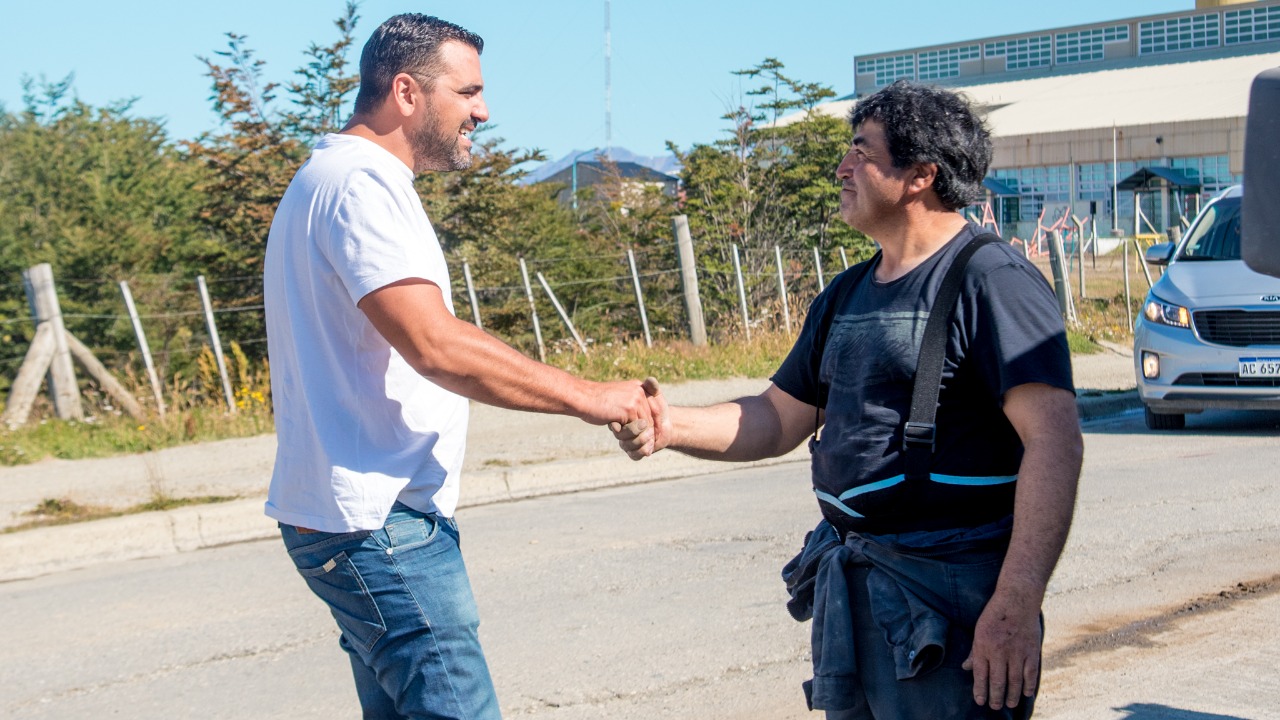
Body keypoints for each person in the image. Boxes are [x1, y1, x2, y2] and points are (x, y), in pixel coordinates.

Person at [613, 80, 1083, 719]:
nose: (842, 167)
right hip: (859, 586)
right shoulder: (847, 292)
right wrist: (669, 425)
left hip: (951, 596)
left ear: (920, 175)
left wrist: (1016, 602)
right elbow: (775, 418)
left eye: (861, 152)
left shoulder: (994, 281)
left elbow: (1054, 441)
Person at [263, 14, 653, 719]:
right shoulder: (360, 185)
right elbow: (434, 344)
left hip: (358, 516)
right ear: (406, 92)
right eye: (467, 92)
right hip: (381, 523)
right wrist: (591, 396)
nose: (483, 110)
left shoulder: (330, 176)